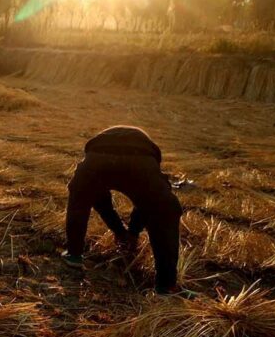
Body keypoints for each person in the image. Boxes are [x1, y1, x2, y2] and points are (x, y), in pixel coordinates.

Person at [63, 125, 187, 296]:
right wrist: (133, 232)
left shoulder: (104, 140)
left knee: (80, 197)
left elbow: (100, 201)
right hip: (141, 161)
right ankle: (166, 285)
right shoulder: (146, 152)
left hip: (96, 158)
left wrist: (120, 231)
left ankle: (74, 255)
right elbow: (145, 206)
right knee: (164, 209)